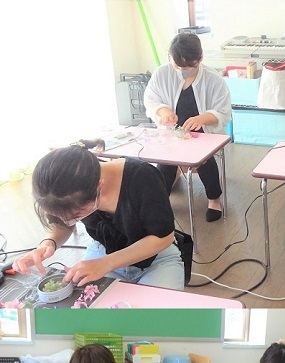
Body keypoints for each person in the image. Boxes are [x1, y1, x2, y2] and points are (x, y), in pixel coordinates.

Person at [13, 141, 184, 289]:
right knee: (89, 308)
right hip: (103, 251)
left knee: (152, 314)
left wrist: (105, 263)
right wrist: (48, 242)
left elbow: (163, 237)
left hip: (155, 256)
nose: (68, 221)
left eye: (77, 215)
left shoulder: (142, 178)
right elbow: (62, 225)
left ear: (99, 187)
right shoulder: (63, 190)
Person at [144, 32, 231, 222]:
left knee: (205, 161)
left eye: (189, 66)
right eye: (178, 66)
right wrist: (163, 112)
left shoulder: (214, 80)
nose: (184, 70)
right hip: (172, 132)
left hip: (203, 134)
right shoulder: (162, 74)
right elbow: (151, 100)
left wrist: (201, 119)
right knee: (165, 162)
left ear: (200, 58)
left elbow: (224, 112)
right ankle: (161, 201)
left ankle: (214, 200)